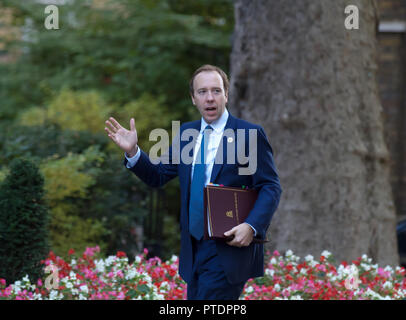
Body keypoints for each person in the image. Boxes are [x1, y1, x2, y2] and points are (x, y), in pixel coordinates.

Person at [105, 64, 282, 300]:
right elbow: (158, 176)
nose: (210, 98)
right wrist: (133, 152)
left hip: (228, 247)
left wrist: (251, 226)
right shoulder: (187, 134)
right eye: (202, 92)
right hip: (194, 248)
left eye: (216, 91)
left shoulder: (249, 134)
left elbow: (270, 186)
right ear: (193, 98)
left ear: (226, 95)